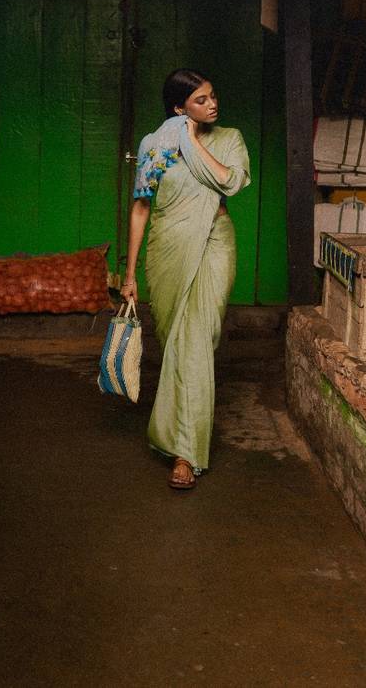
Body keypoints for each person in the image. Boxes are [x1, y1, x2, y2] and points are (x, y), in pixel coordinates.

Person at [120, 68, 250, 490]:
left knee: (197, 340)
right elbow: (142, 207)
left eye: (212, 96)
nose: (212, 104)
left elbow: (230, 182)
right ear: (179, 109)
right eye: (200, 100)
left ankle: (185, 454)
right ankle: (181, 443)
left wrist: (191, 140)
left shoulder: (229, 139)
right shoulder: (153, 147)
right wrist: (130, 273)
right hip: (167, 249)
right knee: (176, 339)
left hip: (214, 243)